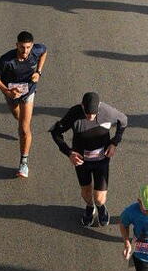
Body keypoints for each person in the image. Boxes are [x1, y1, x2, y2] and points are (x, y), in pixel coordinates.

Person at [51, 92, 130, 227]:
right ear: (82, 106)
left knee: (100, 199)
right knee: (86, 193)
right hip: (82, 162)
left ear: (99, 108)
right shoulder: (74, 113)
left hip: (101, 161)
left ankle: (100, 207)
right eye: (87, 114)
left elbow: (123, 120)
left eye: (93, 114)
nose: (90, 117)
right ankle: (89, 207)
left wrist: (114, 142)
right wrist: (69, 153)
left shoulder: (107, 111)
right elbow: (56, 132)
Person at [0, 31, 48, 178]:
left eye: (28, 47)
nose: (25, 51)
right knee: (17, 116)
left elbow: (45, 52)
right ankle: (22, 127)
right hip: (12, 95)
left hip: (29, 93)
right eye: (22, 47)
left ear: (32, 46)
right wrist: (7, 91)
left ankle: (23, 163)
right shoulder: (6, 60)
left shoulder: (36, 51)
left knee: (24, 129)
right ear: (16, 45)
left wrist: (38, 72)